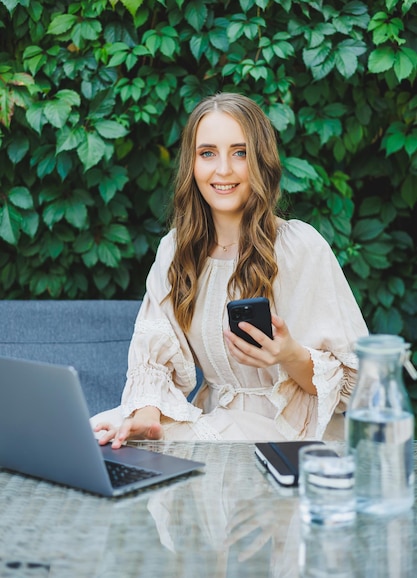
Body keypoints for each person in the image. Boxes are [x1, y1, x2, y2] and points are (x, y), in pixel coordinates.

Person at [92, 92, 368, 447]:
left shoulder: (299, 246)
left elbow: (352, 385)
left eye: (240, 153)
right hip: (218, 423)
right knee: (99, 429)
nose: (223, 169)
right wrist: (145, 419)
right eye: (208, 153)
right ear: (192, 165)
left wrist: (289, 354)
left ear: (261, 161)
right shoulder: (176, 250)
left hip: (292, 434)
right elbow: (154, 359)